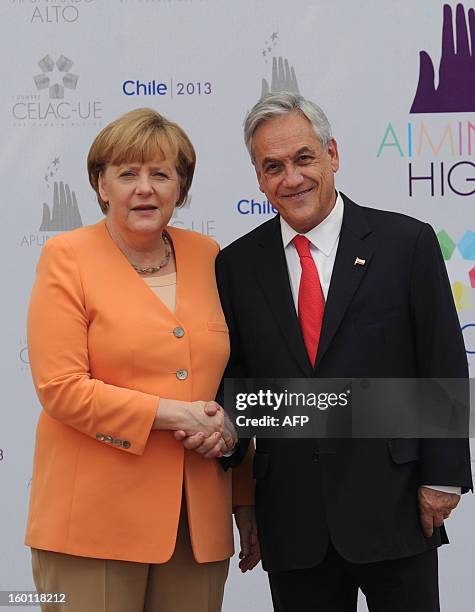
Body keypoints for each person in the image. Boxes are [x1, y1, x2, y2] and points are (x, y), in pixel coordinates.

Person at [214, 92, 473, 611]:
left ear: (332, 154)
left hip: (396, 505)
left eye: (303, 158)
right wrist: (228, 448)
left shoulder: (407, 243)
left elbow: (441, 360)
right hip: (292, 517)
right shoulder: (237, 265)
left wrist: (443, 477)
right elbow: (237, 378)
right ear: (259, 178)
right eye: (273, 167)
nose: (291, 179)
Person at [26, 107, 253, 612]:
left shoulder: (210, 256)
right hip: (93, 525)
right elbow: (61, 387)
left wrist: (244, 499)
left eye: (160, 174)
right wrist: (175, 414)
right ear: (100, 185)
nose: (144, 188)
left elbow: (231, 383)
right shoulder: (67, 257)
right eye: (127, 174)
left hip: (197, 527)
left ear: (181, 187)